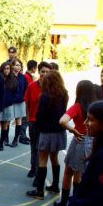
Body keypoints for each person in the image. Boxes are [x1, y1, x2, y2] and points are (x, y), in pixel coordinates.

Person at [54, 80, 97, 206]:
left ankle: (64, 202)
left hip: (80, 139)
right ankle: (76, 200)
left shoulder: (78, 106)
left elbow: (62, 121)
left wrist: (72, 130)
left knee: (69, 171)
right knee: (80, 172)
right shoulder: (96, 106)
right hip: (93, 141)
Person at [27, 71, 68, 199]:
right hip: (59, 131)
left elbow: (40, 114)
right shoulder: (64, 94)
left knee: (42, 160)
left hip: (47, 131)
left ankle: (39, 191)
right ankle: (55, 185)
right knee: (54, 158)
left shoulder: (45, 95)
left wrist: (38, 127)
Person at [25, 62, 51, 178]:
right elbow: (27, 104)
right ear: (38, 72)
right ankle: (33, 167)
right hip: (33, 121)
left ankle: (39, 171)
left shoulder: (52, 88)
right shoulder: (31, 86)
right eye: (42, 71)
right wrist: (28, 119)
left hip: (46, 123)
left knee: (42, 148)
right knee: (34, 146)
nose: (44, 74)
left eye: (47, 72)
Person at [0, 61, 16, 150]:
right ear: (2, 69)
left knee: (5, 126)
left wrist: (10, 101)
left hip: (8, 106)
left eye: (8, 68)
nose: (6, 70)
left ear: (10, 70)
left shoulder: (13, 80)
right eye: (4, 69)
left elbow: (15, 92)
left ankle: (1, 144)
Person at [11, 59, 30, 146]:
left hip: (20, 101)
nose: (18, 67)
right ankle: (5, 139)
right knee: (6, 121)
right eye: (16, 65)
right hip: (10, 102)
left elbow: (26, 89)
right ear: (12, 66)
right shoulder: (9, 76)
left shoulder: (23, 77)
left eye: (19, 65)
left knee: (18, 120)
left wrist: (24, 98)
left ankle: (16, 140)